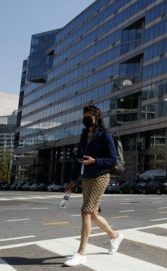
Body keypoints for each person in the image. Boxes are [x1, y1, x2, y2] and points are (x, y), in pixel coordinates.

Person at [63, 104, 123, 267]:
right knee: (93, 214)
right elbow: (78, 158)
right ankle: (114, 235)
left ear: (96, 117)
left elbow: (113, 160)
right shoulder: (83, 135)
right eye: (84, 115)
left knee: (86, 212)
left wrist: (95, 161)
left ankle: (81, 253)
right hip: (87, 177)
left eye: (88, 115)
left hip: (101, 176)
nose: (85, 118)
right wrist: (73, 179)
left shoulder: (105, 135)